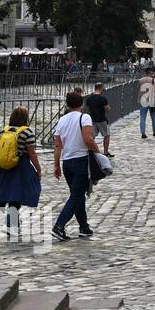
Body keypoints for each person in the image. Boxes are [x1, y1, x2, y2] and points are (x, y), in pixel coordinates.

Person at [51, 91, 100, 241]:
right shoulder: (84, 117)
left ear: (67, 104)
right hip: (81, 160)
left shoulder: (62, 120)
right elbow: (88, 139)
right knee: (76, 196)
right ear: (81, 103)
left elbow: (58, 144)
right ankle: (59, 226)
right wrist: (99, 153)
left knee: (78, 195)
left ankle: (84, 227)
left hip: (67, 162)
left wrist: (56, 165)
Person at [0, 107, 41, 240]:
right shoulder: (27, 132)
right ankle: (10, 224)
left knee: (12, 194)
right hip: (21, 166)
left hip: (5, 166)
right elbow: (31, 153)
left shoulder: (5, 130)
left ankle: (13, 223)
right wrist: (38, 168)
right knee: (20, 194)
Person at [85, 83, 112, 158]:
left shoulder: (89, 98)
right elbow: (107, 109)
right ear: (101, 88)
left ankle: (91, 151)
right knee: (106, 136)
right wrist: (109, 108)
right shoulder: (103, 98)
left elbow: (87, 109)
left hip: (92, 120)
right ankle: (105, 152)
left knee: (92, 137)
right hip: (102, 120)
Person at [138, 69, 155, 139]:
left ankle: (143, 133)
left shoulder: (140, 80)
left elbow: (139, 89)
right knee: (154, 117)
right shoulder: (153, 80)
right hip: (151, 99)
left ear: (145, 73)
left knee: (143, 117)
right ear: (150, 73)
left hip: (143, 99)